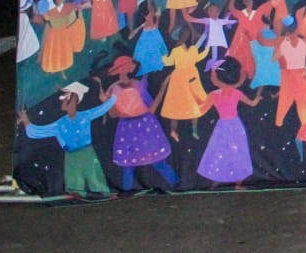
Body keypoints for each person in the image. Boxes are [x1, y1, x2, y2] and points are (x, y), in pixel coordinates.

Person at [18, 81, 118, 198]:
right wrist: (26, 120)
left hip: (87, 151)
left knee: (93, 173)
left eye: (70, 97)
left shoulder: (85, 115)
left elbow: (103, 108)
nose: (65, 100)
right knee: (74, 177)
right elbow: (38, 132)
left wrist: (114, 94)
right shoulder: (60, 124)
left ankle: (103, 192)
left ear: (77, 101)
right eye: (65, 98)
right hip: (71, 154)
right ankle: (75, 193)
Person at [100, 56, 178, 191]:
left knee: (156, 161)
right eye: (129, 64)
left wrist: (162, 88)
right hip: (128, 127)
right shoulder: (113, 89)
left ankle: (176, 183)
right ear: (121, 68)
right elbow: (113, 113)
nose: (132, 67)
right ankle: (127, 191)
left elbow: (151, 109)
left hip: (144, 125)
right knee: (129, 165)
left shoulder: (137, 84)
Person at [196, 59, 265, 187]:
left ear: (218, 77)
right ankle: (233, 183)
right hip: (234, 125)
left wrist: (192, 101)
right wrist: (258, 97)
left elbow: (201, 110)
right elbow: (252, 103)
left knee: (220, 151)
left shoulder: (214, 95)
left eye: (213, 75)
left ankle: (217, 182)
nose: (212, 78)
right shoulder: (235, 92)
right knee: (236, 152)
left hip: (224, 126)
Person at [160, 26, 209, 142]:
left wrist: (162, 55)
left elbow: (168, 62)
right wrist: (207, 49)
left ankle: (174, 131)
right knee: (193, 104)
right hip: (190, 78)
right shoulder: (193, 50)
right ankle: (193, 130)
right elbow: (199, 58)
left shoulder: (177, 51)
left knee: (176, 106)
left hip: (179, 80)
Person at [32, 0, 86, 75]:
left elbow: (73, 16)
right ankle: (54, 67)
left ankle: (61, 67)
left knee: (63, 51)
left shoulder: (68, 7)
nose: (60, 0)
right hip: (54, 34)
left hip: (63, 34)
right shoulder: (50, 11)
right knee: (54, 51)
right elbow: (45, 19)